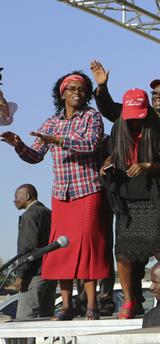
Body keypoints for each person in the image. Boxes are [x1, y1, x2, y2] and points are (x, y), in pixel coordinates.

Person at [1, 71, 110, 320]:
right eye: (71, 88)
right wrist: (19, 145)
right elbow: (36, 156)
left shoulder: (91, 117)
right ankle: (67, 306)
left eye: (81, 89)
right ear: (62, 94)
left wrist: (59, 140)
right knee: (61, 250)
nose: (77, 92)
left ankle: (92, 305)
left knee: (87, 246)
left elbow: (91, 144)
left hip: (87, 190)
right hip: (61, 194)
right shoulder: (52, 122)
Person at [99, 88, 160, 319]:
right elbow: (111, 153)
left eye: (138, 117)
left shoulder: (158, 129)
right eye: (130, 117)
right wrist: (107, 164)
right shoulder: (118, 127)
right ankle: (130, 301)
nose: (134, 122)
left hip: (152, 199)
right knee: (123, 254)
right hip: (127, 202)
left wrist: (146, 165)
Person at [12, 184, 56, 320]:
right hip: (50, 273)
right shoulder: (49, 212)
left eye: (16, 197)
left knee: (24, 321)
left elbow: (28, 247)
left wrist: (21, 275)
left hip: (34, 274)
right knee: (45, 319)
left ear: (27, 196)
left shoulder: (29, 215)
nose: (14, 200)